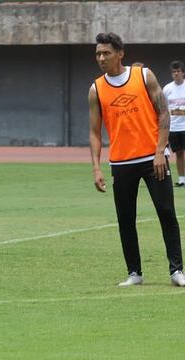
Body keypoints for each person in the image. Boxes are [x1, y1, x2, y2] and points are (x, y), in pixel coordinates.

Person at [88, 32, 185, 287]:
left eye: (106, 53)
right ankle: (135, 273)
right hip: (120, 163)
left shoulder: (144, 76)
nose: (101, 58)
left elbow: (163, 113)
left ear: (120, 53)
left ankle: (176, 271)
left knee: (166, 212)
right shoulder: (96, 89)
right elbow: (94, 132)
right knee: (126, 218)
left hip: (154, 158)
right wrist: (97, 167)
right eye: (98, 53)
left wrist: (159, 151)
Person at [163, 61, 185, 186]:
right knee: (179, 154)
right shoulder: (167, 89)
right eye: (174, 72)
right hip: (174, 128)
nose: (176, 74)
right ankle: (182, 179)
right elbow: (164, 108)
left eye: (178, 71)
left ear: (183, 73)